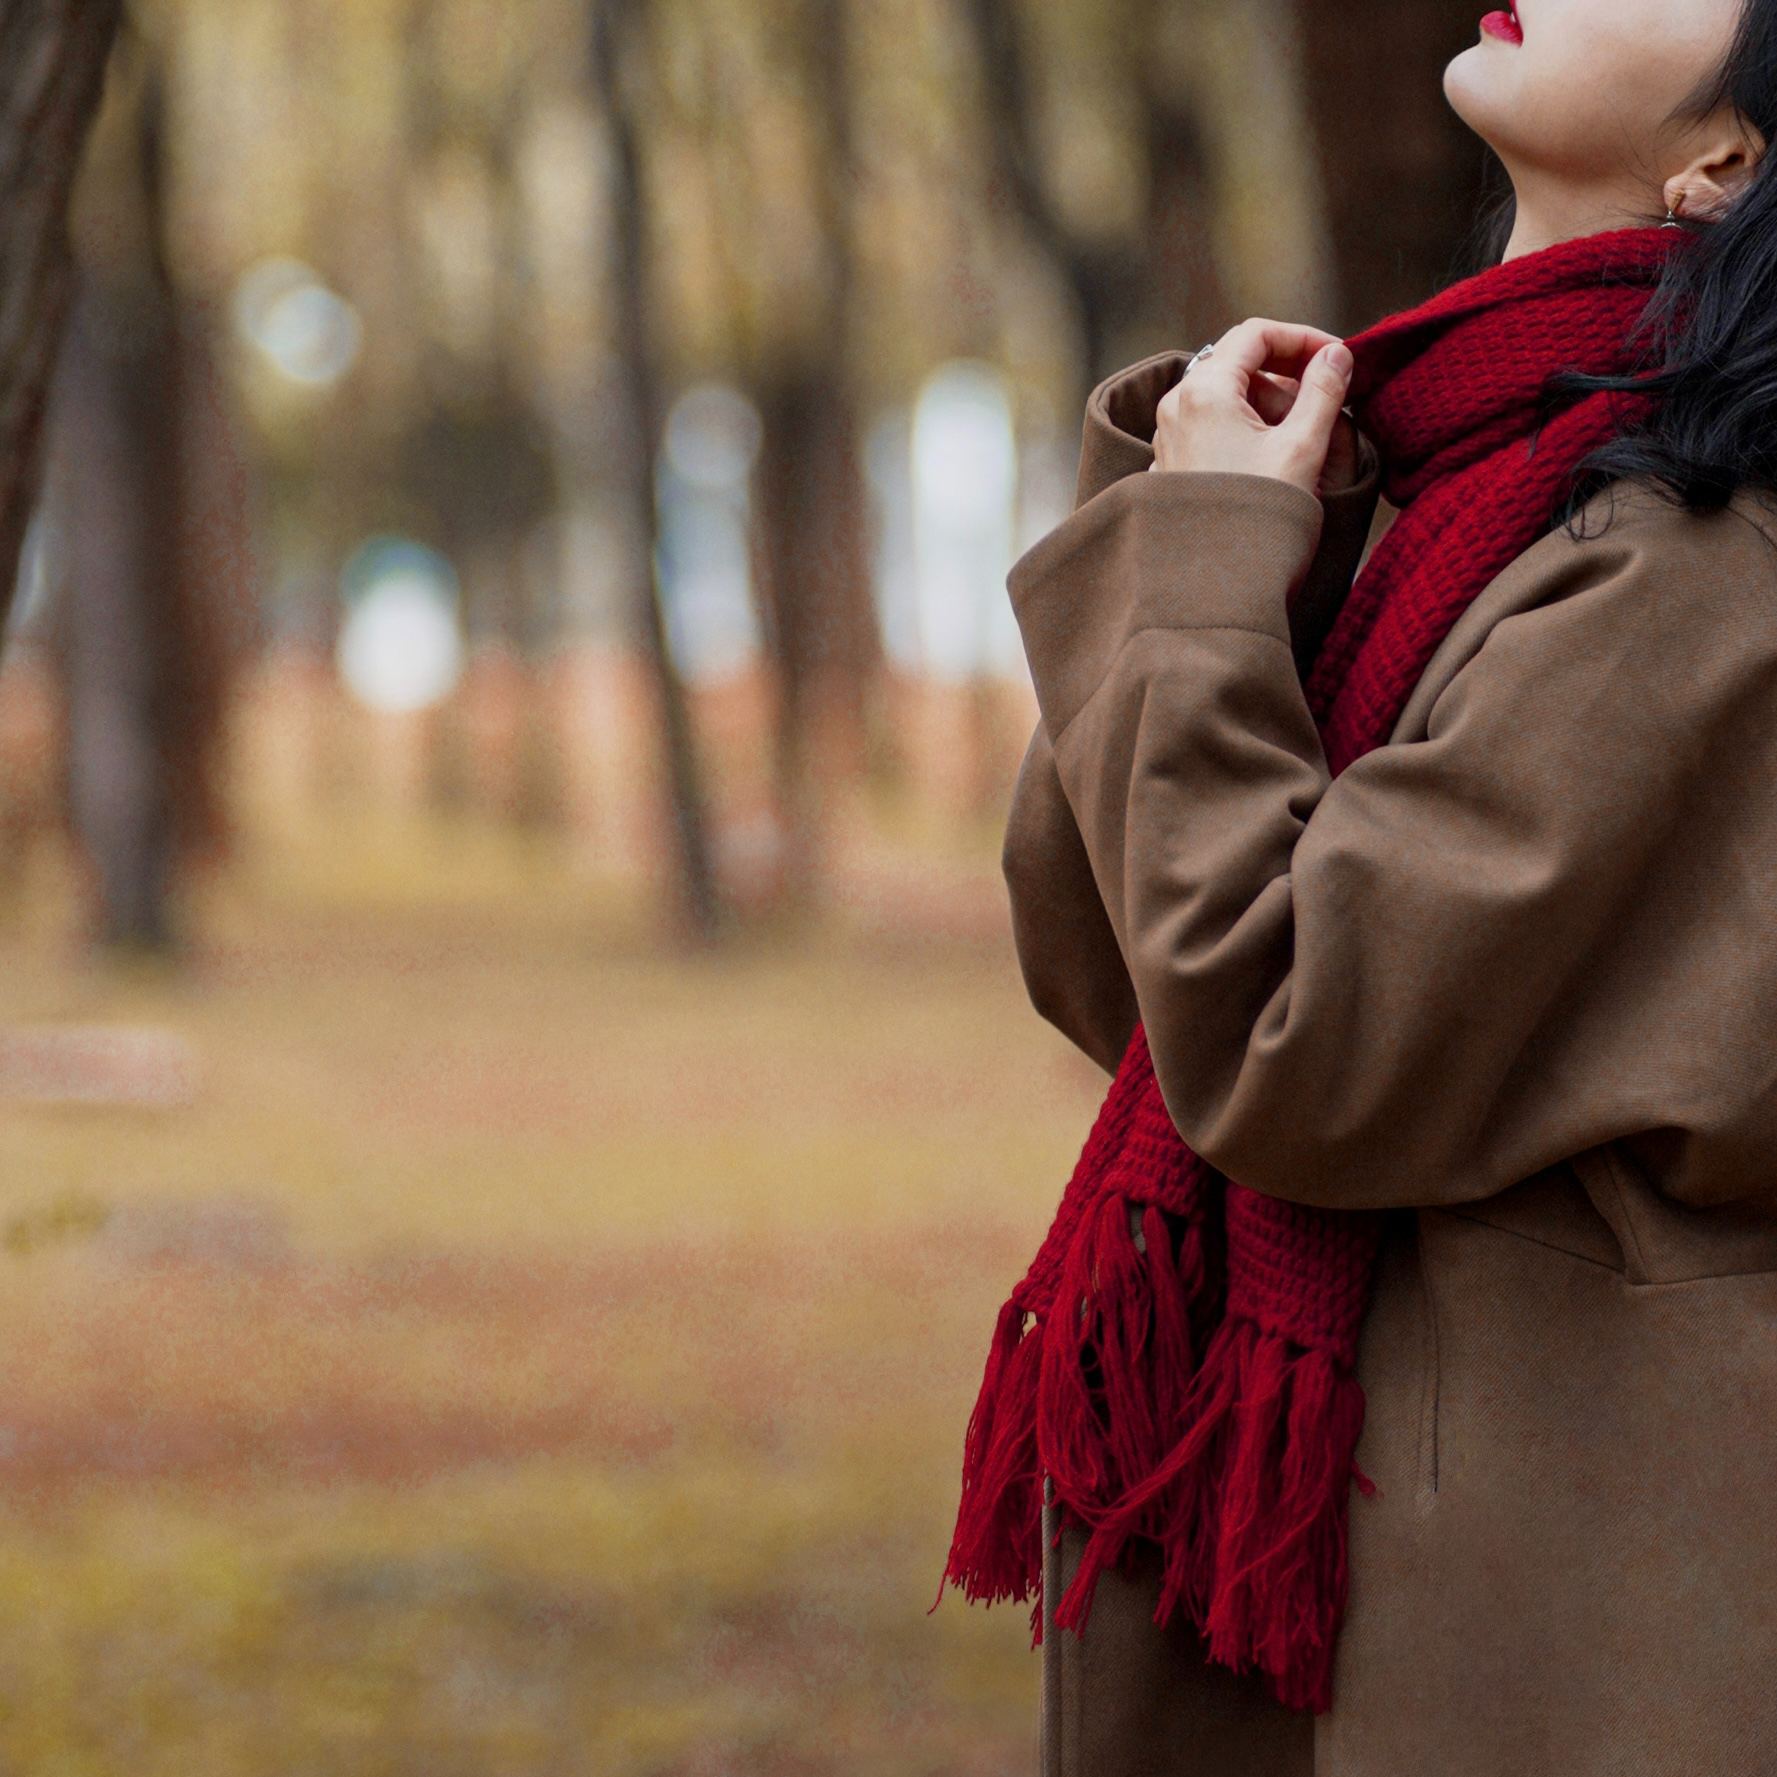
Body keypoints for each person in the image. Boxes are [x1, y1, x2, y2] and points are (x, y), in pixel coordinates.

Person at [942, 1, 1777, 1771]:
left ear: (1728, 157)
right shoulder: (1476, 476)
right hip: (1417, 1555)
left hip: (1572, 1620)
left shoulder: (1699, 567)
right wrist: (1226, 543)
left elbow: (1287, 1039)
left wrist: (1207, 569)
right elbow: (1118, 971)